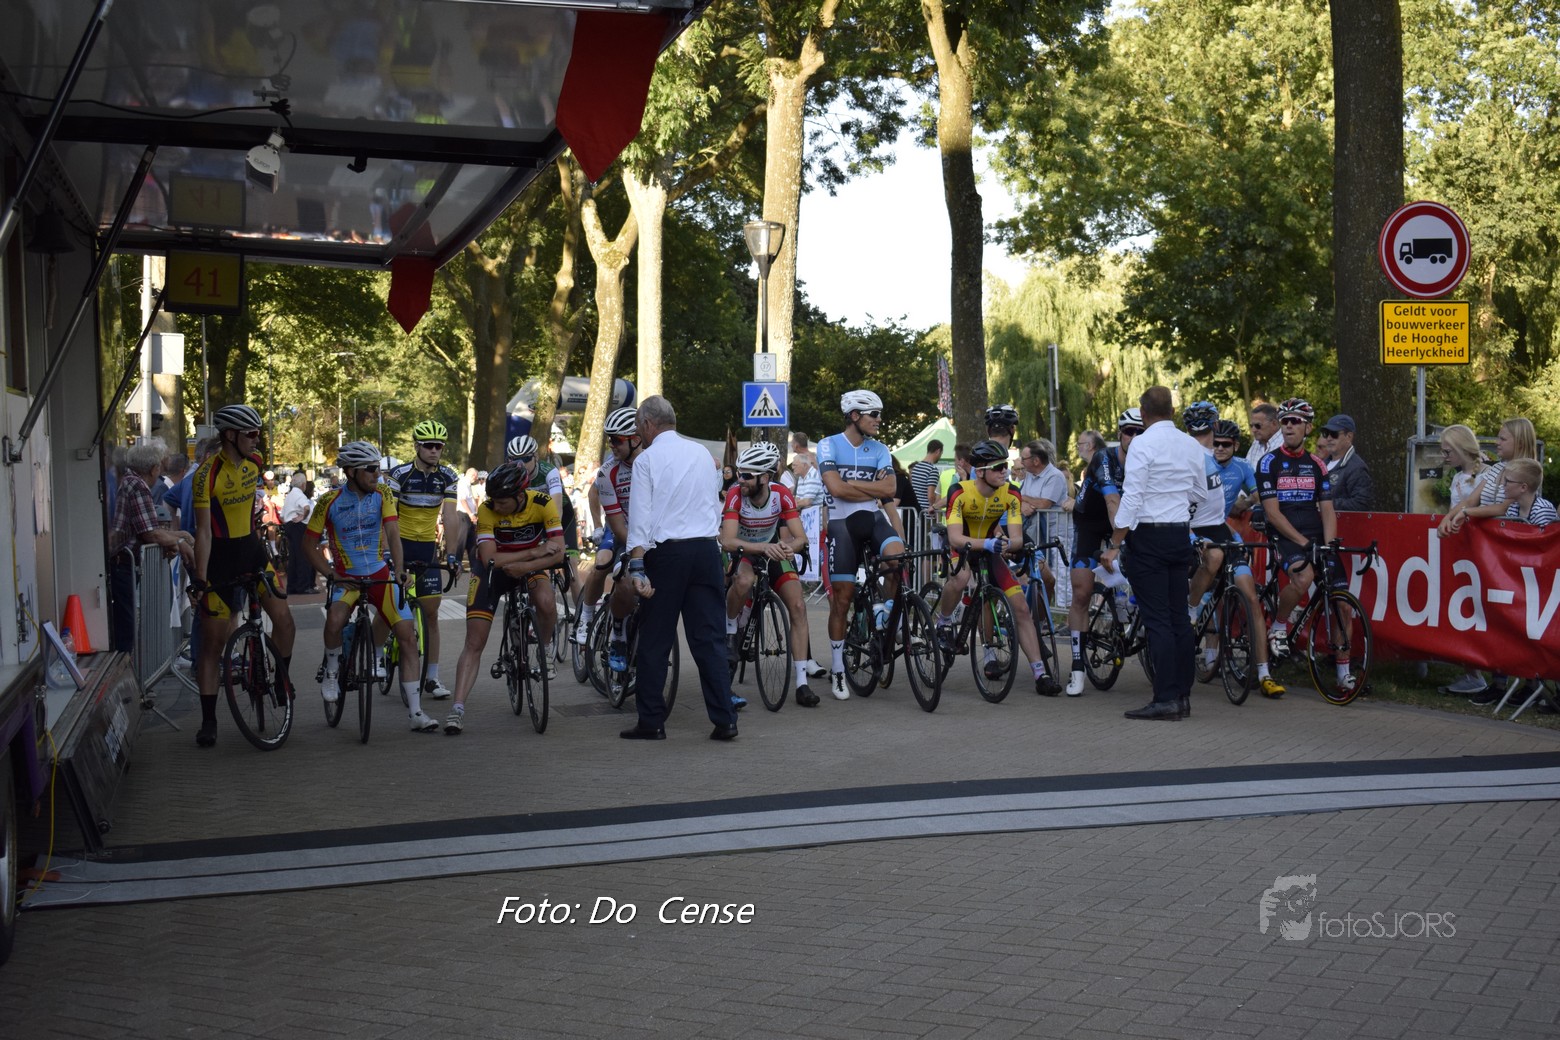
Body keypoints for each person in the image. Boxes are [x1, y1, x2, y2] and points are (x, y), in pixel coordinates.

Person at [620, 395, 741, 741]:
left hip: (667, 554)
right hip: (705, 551)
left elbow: (640, 519)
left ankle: (652, 721)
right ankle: (725, 719)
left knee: (655, 639)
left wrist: (637, 566)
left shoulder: (646, 460)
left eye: (638, 427)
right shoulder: (702, 454)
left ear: (647, 424)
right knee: (709, 640)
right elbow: (712, 502)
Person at [187, 404, 297, 749]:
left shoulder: (255, 462)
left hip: (252, 551)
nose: (256, 440)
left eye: (258, 433)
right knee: (212, 645)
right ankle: (209, 720)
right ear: (230, 435)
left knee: (285, 621)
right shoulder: (206, 475)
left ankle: (279, 681)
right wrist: (200, 579)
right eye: (251, 434)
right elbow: (203, 532)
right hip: (220, 560)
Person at [305, 441, 434, 731]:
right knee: (335, 620)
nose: (378, 474)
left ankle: (416, 712)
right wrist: (330, 574)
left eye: (378, 468)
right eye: (371, 469)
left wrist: (399, 570)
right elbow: (308, 545)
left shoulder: (383, 494)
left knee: (407, 635)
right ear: (351, 472)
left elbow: (393, 532)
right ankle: (332, 670)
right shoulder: (328, 501)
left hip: (378, 573)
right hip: (347, 578)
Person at [1104, 387, 1204, 720]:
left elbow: (1132, 498)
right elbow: (1200, 493)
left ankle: (1165, 698)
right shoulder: (1191, 444)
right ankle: (1183, 696)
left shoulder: (1142, 444)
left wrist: (1115, 543)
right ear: (1173, 411)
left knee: (1157, 619)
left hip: (1148, 536)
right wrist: (1176, 502)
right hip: (1179, 534)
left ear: (1143, 413)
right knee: (1180, 618)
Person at [442, 460, 564, 734]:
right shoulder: (487, 509)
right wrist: (533, 552)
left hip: (529, 569)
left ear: (520, 495)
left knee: (546, 603)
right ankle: (457, 708)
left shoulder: (543, 503)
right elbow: (489, 559)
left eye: (502, 502)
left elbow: (558, 552)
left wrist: (527, 564)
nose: (496, 506)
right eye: (493, 501)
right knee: (474, 641)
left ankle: (544, 650)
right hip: (492, 572)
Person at [934, 440, 1063, 695]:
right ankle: (944, 621)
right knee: (961, 578)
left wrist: (1006, 544)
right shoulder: (959, 491)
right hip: (963, 547)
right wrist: (989, 542)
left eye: (1005, 466)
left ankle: (1041, 674)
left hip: (991, 550)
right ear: (980, 471)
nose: (1005, 471)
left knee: (1021, 608)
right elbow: (955, 538)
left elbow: (1016, 538)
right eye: (998, 467)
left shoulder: (1011, 493)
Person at [1255, 398, 1359, 697]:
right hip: (1285, 533)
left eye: (1295, 421)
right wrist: (1303, 543)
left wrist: (1329, 545)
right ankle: (1279, 626)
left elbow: (1327, 509)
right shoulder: (1269, 462)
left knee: (1343, 604)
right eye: (1285, 421)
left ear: (1308, 428)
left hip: (1314, 534)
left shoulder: (1317, 464)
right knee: (1303, 576)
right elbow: (1273, 513)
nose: (1289, 426)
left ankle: (1344, 674)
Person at [721, 442, 822, 707]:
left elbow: (800, 538)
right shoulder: (735, 495)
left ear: (765, 478)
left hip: (772, 550)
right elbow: (728, 541)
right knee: (744, 580)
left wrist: (789, 548)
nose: (740, 479)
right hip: (744, 551)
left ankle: (802, 683)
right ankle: (730, 628)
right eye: (739, 473)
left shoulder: (781, 494)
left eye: (746, 475)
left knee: (798, 606)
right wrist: (764, 548)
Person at [819, 389, 903, 701]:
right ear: (855, 416)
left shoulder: (880, 448)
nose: (879, 420)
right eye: (874, 415)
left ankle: (887, 614)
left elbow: (890, 488)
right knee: (842, 601)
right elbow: (835, 489)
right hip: (842, 526)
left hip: (872, 520)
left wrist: (850, 484)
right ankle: (838, 668)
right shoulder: (828, 444)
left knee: (898, 560)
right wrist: (870, 487)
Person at [1208, 420, 1285, 697]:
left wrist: (1252, 505)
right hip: (1198, 532)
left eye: (1225, 444)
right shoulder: (1200, 464)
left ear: (1236, 446)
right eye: (1215, 443)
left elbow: (1259, 494)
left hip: (1225, 533)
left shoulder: (1242, 467)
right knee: (1204, 583)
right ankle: (1204, 641)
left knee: (1251, 598)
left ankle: (1264, 673)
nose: (1219, 448)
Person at [386, 420, 461, 700]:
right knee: (391, 609)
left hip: (426, 549)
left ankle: (432, 677)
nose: (434, 451)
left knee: (431, 614)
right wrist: (388, 554)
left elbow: (450, 517)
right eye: (428, 446)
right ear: (417, 446)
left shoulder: (448, 476)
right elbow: (389, 517)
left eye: (438, 446)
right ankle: (380, 651)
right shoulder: (399, 474)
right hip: (401, 546)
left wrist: (452, 554)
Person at [108, 438, 194, 653]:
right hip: (123, 563)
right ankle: (127, 667)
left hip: (124, 560)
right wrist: (180, 541)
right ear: (154, 469)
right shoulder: (138, 486)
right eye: (160, 467)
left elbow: (149, 529)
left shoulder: (131, 482)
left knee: (128, 619)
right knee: (127, 624)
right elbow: (150, 533)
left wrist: (179, 536)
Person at [1064, 421, 1131, 697]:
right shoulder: (1104, 458)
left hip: (1122, 522)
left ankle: (1128, 613)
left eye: (1140, 431)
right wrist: (1117, 543)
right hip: (1090, 523)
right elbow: (1112, 502)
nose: (1135, 437)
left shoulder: (1149, 456)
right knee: (1082, 593)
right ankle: (1077, 667)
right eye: (1129, 431)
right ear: (1120, 434)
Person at [581, 408, 643, 658]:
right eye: (609, 439)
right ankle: (586, 616)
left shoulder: (655, 462)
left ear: (635, 439)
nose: (611, 445)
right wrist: (597, 526)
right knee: (603, 563)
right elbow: (593, 493)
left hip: (647, 532)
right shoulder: (609, 469)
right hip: (619, 528)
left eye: (616, 440)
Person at [1435, 425, 1490, 697]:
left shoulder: (1487, 474)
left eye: (1448, 452)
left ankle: (1487, 672)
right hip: (1461, 551)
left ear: (1460, 449)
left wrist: (1452, 517)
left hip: (1483, 552)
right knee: (1462, 607)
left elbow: (1472, 504)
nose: (1444, 457)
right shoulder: (1457, 477)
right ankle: (1470, 672)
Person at [1437, 417, 1539, 536]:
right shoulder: (1496, 468)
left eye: (1503, 439)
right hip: (1489, 537)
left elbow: (1503, 508)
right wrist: (1448, 517)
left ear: (1520, 443)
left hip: (1511, 537)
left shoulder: (1527, 472)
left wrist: (1466, 512)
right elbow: (1470, 501)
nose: (1497, 442)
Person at [1318, 414, 1373, 511]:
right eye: (1326, 433)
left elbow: (1361, 504)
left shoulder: (1357, 468)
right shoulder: (1321, 465)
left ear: (1349, 436)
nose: (1329, 438)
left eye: (1334, 434)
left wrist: (1325, 504)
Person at [281, 471, 317, 594]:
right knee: (303, 557)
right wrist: (302, 517)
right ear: (303, 484)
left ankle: (292, 587)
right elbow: (306, 508)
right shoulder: (300, 495)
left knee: (293, 558)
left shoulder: (289, 496)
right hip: (299, 526)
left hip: (289, 525)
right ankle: (303, 586)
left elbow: (282, 515)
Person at [1496, 459, 1555, 528]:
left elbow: (1547, 535)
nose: (1503, 484)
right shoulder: (1513, 508)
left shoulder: (1542, 511)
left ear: (1523, 487)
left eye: (1507, 481)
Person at [909, 440, 943, 515]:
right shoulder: (932, 470)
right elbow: (930, 496)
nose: (940, 457)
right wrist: (933, 508)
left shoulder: (915, 468)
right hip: (926, 513)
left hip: (914, 511)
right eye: (941, 454)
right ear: (938, 451)